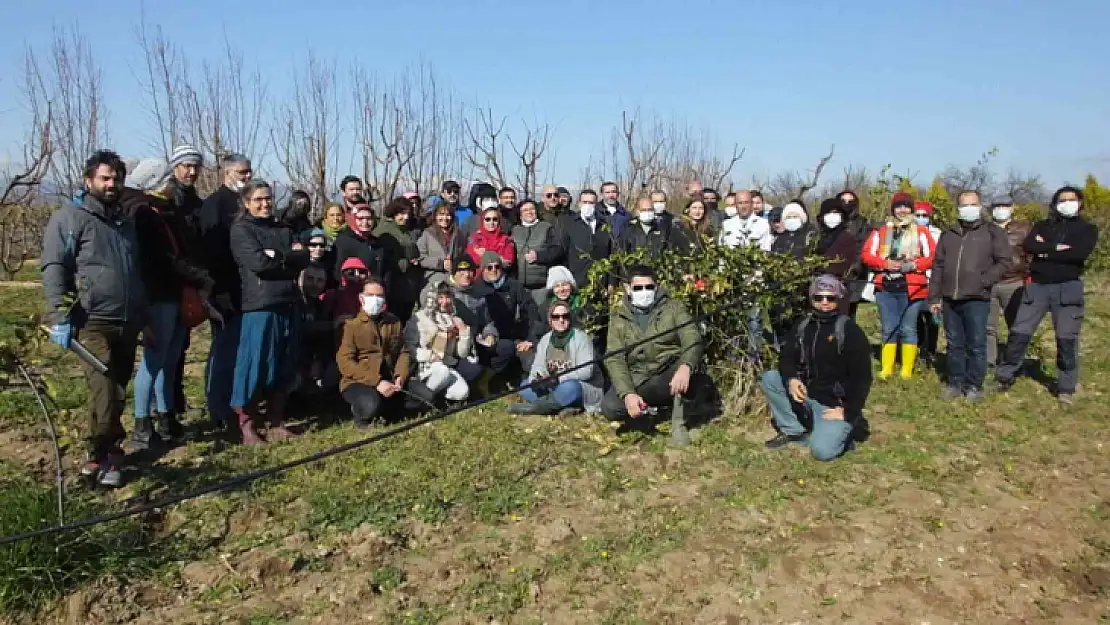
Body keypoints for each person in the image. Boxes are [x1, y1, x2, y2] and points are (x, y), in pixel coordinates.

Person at [42, 150, 147, 487]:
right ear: (88, 181)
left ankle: (98, 457)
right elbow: (56, 266)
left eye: (116, 178)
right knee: (105, 389)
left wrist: (143, 318)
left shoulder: (125, 224)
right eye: (104, 178)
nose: (111, 184)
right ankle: (106, 456)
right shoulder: (71, 218)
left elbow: (134, 273)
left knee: (115, 390)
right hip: (91, 320)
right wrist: (61, 314)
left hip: (126, 321)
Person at [122, 159, 214, 450]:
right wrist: (200, 277)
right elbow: (164, 259)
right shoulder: (142, 214)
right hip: (158, 294)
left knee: (170, 359)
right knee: (153, 360)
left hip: (174, 292)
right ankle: (142, 424)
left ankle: (166, 416)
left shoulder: (164, 211)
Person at [995, 186, 1098, 404]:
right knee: (1019, 332)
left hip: (1068, 287)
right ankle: (1004, 376)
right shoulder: (1042, 225)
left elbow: (1079, 253)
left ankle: (1066, 388)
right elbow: (1031, 245)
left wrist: (1047, 249)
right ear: (1055, 203)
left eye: (1072, 199)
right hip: (1038, 286)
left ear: (1080, 203)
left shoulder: (1087, 229)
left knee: (1066, 338)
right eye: (1062, 200)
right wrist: (1058, 248)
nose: (1067, 203)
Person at [229, 179, 310, 444]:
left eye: (267, 199)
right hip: (260, 304)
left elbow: (303, 258)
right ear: (246, 202)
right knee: (254, 363)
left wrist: (279, 255)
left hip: (288, 301)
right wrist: (285, 257)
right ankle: (247, 424)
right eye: (258, 200)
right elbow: (259, 263)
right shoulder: (242, 230)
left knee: (283, 363)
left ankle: (276, 420)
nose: (264, 204)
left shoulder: (281, 228)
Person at [760, 275, 872, 461]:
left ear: (838, 298)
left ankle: (850, 428)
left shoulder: (850, 331)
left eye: (830, 297)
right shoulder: (803, 325)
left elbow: (862, 378)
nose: (824, 302)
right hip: (807, 394)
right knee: (770, 378)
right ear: (811, 299)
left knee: (822, 452)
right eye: (818, 297)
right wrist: (792, 379)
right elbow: (786, 357)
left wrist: (848, 410)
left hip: (833, 404)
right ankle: (794, 431)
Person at [601, 265, 705, 447]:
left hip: (669, 368)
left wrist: (686, 365)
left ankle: (678, 420)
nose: (644, 292)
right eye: (638, 288)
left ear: (656, 286)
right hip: (639, 375)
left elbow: (692, 336)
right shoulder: (618, 317)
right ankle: (647, 413)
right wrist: (628, 394)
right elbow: (614, 358)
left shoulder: (674, 307)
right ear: (627, 288)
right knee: (610, 407)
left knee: (673, 381)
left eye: (649, 287)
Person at [928, 190, 1012, 401]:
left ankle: (974, 385)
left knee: (976, 343)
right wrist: (934, 296)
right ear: (958, 209)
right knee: (954, 343)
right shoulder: (949, 234)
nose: (969, 209)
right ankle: (955, 382)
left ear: (980, 206)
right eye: (965, 205)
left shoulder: (992, 232)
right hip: (949, 298)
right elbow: (938, 265)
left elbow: (1004, 261)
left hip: (977, 297)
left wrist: (983, 281)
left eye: (973, 204)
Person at [199, 153, 252, 430]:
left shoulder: (244, 202)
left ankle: (235, 401)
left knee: (238, 349)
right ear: (227, 173)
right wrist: (214, 290)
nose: (247, 177)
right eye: (242, 172)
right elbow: (211, 251)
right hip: (223, 290)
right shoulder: (215, 205)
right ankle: (217, 407)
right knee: (223, 348)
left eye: (249, 172)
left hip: (244, 289)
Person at [862, 191, 936, 380]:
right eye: (898, 206)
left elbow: (933, 257)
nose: (902, 210)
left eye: (906, 206)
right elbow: (867, 255)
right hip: (885, 287)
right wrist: (884, 264)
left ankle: (906, 369)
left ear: (911, 209)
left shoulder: (921, 232)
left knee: (908, 328)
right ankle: (887, 368)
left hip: (912, 287)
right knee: (888, 327)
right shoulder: (881, 231)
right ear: (893, 209)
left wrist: (913, 265)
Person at [337, 278, 423, 426]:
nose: (375, 299)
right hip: (359, 381)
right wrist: (376, 382)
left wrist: (400, 376)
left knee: (424, 396)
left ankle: (387, 410)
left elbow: (403, 352)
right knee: (370, 404)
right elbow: (345, 362)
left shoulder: (393, 322)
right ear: (361, 298)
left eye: (379, 296)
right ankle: (361, 414)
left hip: (389, 378)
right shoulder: (351, 326)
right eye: (370, 295)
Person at [165, 144, 206, 420]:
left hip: (190, 279)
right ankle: (166, 405)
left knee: (181, 344)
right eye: (186, 166)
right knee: (169, 347)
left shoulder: (194, 200)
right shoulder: (170, 200)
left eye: (195, 167)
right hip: (173, 281)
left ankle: (175, 400)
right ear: (175, 167)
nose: (191, 171)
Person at [509, 300, 605, 416]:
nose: (561, 320)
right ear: (550, 320)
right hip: (552, 385)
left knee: (569, 388)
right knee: (525, 386)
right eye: (556, 317)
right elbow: (538, 365)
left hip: (579, 386)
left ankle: (537, 408)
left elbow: (587, 371)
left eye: (565, 316)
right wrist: (537, 379)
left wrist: (558, 379)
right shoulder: (545, 339)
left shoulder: (581, 338)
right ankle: (563, 405)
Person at [405, 281, 482, 405]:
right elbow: (409, 347)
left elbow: (461, 353)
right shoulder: (420, 318)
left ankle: (436, 399)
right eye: (440, 297)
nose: (444, 302)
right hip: (424, 367)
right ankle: (418, 401)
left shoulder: (453, 318)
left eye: (447, 297)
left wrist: (463, 332)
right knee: (443, 372)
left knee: (463, 392)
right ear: (433, 297)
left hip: (445, 364)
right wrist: (429, 355)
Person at [473, 251, 543, 380]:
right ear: (483, 269)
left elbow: (531, 311)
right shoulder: (476, 289)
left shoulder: (514, 286)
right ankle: (490, 378)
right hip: (485, 339)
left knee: (529, 357)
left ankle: (528, 382)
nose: (493, 270)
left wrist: (530, 339)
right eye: (489, 267)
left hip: (514, 336)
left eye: (497, 267)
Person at [985, 198, 1031, 368]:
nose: (1000, 210)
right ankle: (989, 361)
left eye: (1004, 206)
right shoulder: (985, 229)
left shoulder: (1024, 229)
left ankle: (1015, 362)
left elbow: (1031, 255)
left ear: (1012, 208)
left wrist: (1028, 277)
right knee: (988, 326)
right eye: (996, 206)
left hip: (1014, 282)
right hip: (989, 283)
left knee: (1016, 325)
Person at [375, 198, 422, 324]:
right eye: (401, 213)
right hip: (393, 286)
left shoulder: (404, 230)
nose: (405, 217)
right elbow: (384, 258)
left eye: (408, 213)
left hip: (407, 285)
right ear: (393, 212)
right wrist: (405, 263)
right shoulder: (384, 230)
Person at [511, 199, 563, 307]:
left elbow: (557, 250)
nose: (529, 212)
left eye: (532, 209)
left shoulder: (546, 227)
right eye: (525, 210)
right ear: (520, 215)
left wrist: (539, 256)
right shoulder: (514, 230)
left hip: (541, 285)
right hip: (519, 285)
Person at [912, 201, 944, 366]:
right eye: (918, 215)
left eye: (924, 215)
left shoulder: (937, 233)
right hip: (914, 280)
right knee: (915, 316)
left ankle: (931, 350)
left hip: (933, 280)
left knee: (933, 317)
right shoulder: (907, 231)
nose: (921, 218)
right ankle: (917, 347)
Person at [816, 198, 859, 316]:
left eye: (836, 213)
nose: (832, 216)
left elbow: (850, 264)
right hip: (818, 289)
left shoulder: (847, 238)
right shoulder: (817, 239)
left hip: (840, 289)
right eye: (828, 213)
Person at [563, 189, 613, 288]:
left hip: (601, 280)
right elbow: (564, 252)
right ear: (579, 203)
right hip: (577, 281)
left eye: (591, 203)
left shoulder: (605, 223)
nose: (587, 205)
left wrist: (612, 282)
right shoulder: (570, 223)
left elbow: (612, 253)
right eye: (585, 202)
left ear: (596, 204)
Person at [332, 201, 387, 282]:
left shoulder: (377, 244)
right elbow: (337, 272)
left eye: (369, 218)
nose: (365, 222)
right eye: (360, 219)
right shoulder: (343, 242)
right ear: (353, 219)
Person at [838, 190, 873, 317]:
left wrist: (854, 268)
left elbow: (863, 245)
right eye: (843, 201)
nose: (846, 204)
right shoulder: (832, 221)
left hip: (854, 275)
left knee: (849, 312)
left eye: (850, 201)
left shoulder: (862, 223)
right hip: (833, 272)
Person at [418, 203, 466, 287]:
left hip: (454, 276)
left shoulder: (458, 234)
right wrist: (441, 264)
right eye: (441, 214)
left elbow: (463, 255)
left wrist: (454, 264)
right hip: (432, 277)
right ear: (435, 216)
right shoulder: (427, 234)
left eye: (448, 215)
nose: (444, 218)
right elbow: (420, 257)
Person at [618, 196, 677, 262]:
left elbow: (669, 251)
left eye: (650, 209)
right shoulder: (628, 229)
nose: (647, 212)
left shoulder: (663, 229)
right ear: (638, 211)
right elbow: (622, 253)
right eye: (644, 210)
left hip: (657, 270)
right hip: (636, 270)